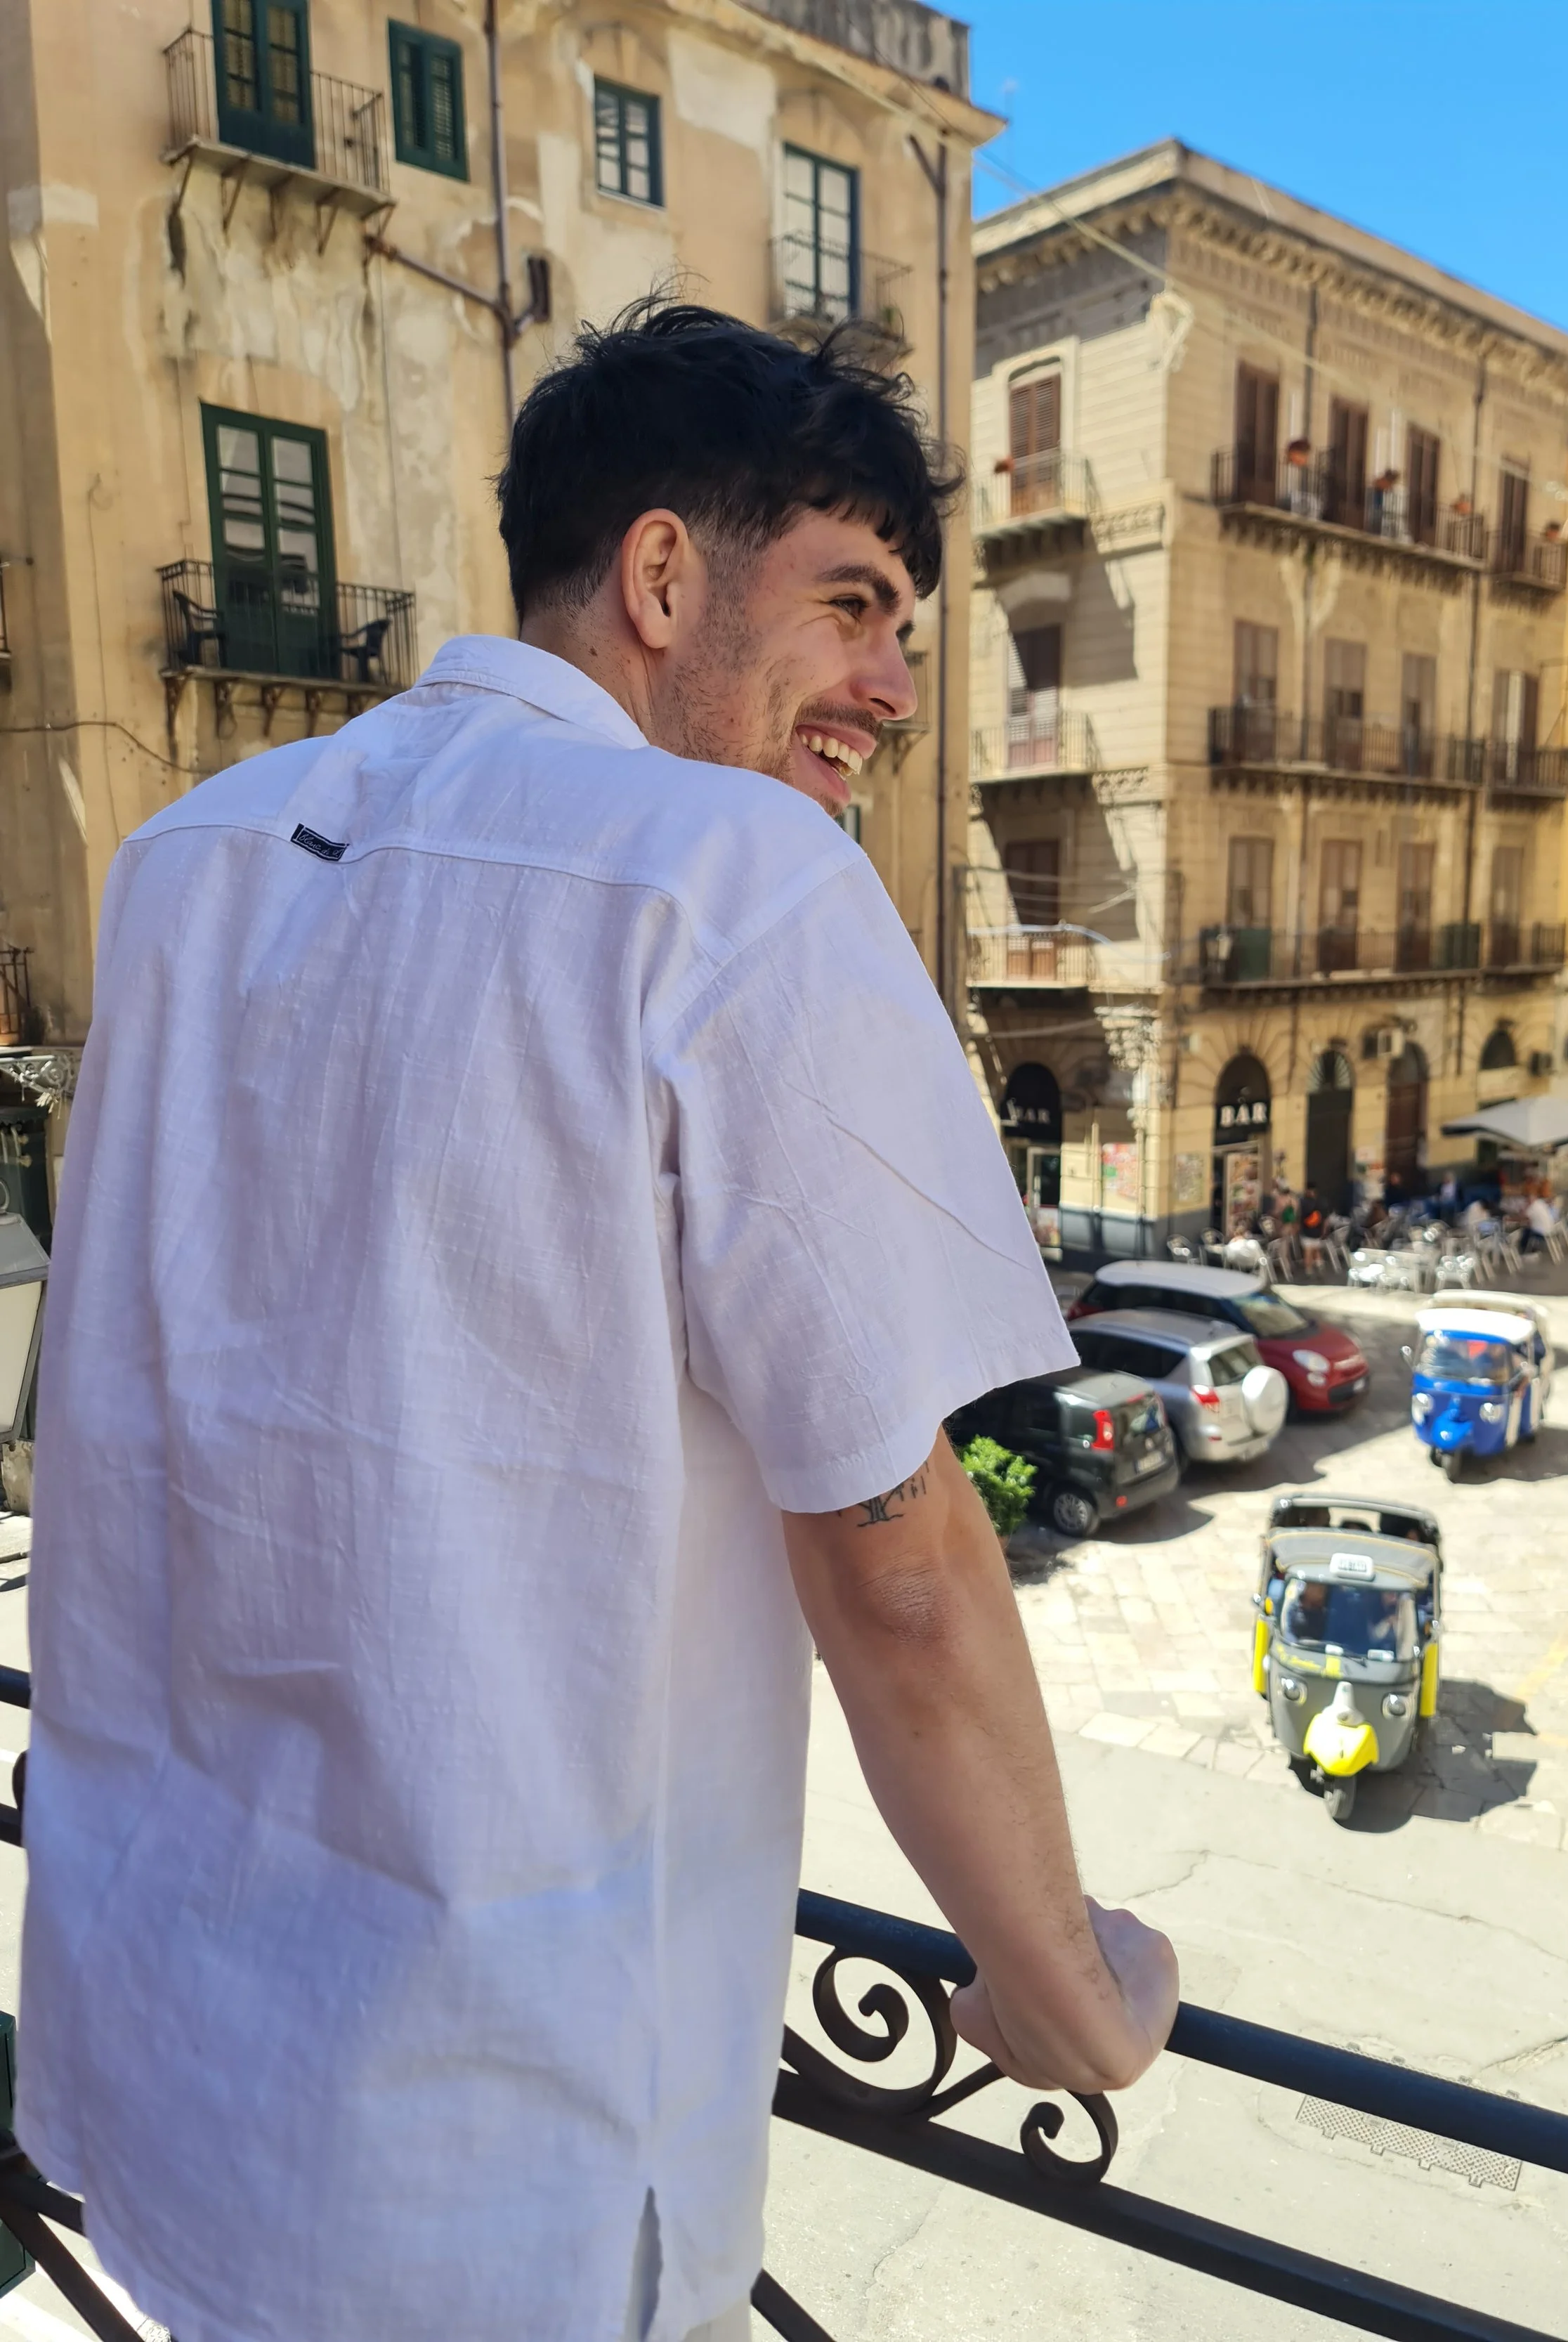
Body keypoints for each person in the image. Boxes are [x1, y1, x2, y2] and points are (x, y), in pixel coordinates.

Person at [18, 306, 1180, 2342]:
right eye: (851, 604)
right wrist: (1064, 1988)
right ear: (659, 576)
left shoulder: (188, 857)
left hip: (179, 2079)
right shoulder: (731, 877)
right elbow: (896, 1557)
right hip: (506, 2173)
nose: (896, 688)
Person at [1298, 1183, 1325, 1273]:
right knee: (1316, 1249)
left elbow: (1298, 1216)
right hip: (1317, 1231)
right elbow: (1325, 1218)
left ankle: (1309, 1270)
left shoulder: (1302, 1202)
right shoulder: (1320, 1202)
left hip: (1306, 1231)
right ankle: (1319, 1265)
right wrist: (1324, 1231)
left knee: (1308, 1251)